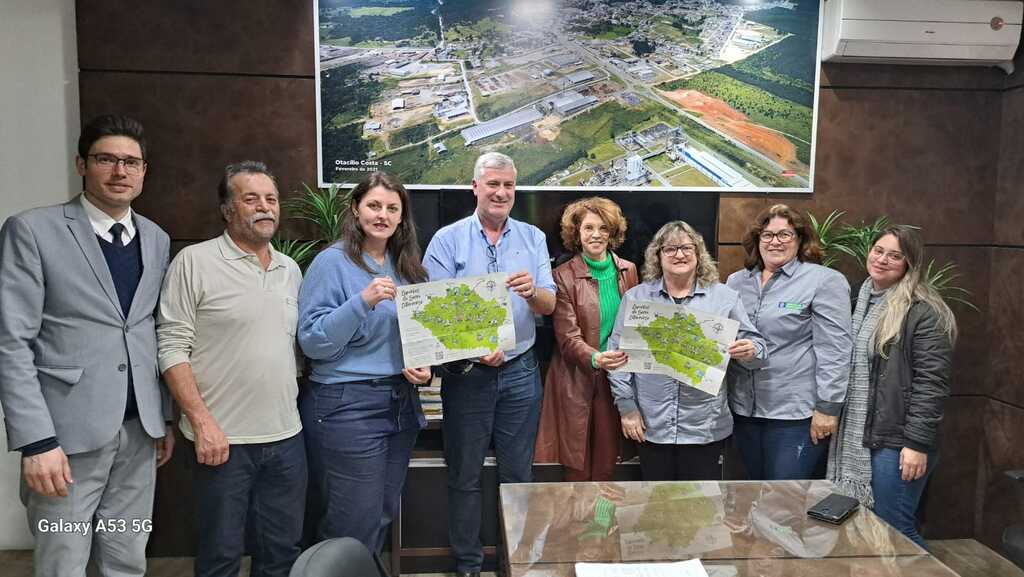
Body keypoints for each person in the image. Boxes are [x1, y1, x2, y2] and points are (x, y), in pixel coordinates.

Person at [0, 114, 174, 577]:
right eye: (106, 159)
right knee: (64, 561)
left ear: (143, 171)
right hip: (66, 437)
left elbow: (150, 330)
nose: (120, 172)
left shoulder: (156, 239)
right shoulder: (32, 231)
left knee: (127, 554)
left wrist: (164, 417)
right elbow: (11, 342)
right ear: (81, 164)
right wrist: (36, 440)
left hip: (140, 434)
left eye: (131, 162)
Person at [157, 161, 306, 577]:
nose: (264, 207)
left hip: (286, 438)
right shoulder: (194, 262)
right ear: (227, 209)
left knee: (281, 551)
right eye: (251, 198)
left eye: (271, 199)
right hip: (222, 442)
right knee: (220, 555)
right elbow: (170, 347)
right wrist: (202, 423)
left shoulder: (289, 270)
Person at [423, 152, 556, 577]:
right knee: (463, 476)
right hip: (469, 376)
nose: (501, 192)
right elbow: (433, 313)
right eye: (493, 184)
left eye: (509, 186)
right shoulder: (447, 239)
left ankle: (513, 564)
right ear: (475, 188)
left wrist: (532, 292)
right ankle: (468, 566)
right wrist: (474, 348)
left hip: (520, 374)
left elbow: (550, 304)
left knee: (518, 478)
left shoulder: (533, 237)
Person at [297, 171, 431, 554]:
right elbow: (313, 341)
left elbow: (413, 337)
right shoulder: (331, 263)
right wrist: (362, 302)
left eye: (392, 208)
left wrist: (422, 367)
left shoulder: (406, 266)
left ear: (402, 217)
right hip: (346, 406)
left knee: (381, 515)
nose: (382, 215)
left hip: (401, 403)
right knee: (351, 523)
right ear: (355, 209)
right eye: (374, 205)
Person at [827, 225, 956, 550]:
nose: (882, 260)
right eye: (878, 250)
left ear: (910, 263)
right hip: (862, 433)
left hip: (898, 442)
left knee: (895, 529)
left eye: (895, 255)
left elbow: (932, 385)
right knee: (871, 529)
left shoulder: (923, 311)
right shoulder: (859, 299)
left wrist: (916, 444)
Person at [607, 221, 766, 481]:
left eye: (686, 247)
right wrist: (627, 408)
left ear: (698, 253)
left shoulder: (725, 297)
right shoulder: (636, 299)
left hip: (705, 427)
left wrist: (750, 350)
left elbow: (758, 349)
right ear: (657, 255)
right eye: (670, 249)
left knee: (701, 511)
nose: (679, 255)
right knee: (657, 507)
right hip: (651, 425)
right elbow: (618, 360)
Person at [726, 204, 852, 480]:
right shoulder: (736, 282)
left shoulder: (824, 281)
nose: (775, 242)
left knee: (783, 504)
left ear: (800, 239)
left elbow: (836, 349)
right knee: (751, 497)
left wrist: (827, 408)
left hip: (794, 416)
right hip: (743, 410)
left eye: (785, 235)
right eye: (768, 235)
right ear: (757, 240)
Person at [534, 197, 638, 481]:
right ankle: (576, 526)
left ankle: (602, 525)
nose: (596, 235)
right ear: (576, 234)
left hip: (616, 380)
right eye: (588, 228)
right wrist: (596, 357)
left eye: (603, 228)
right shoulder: (562, 276)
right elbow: (567, 337)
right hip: (575, 379)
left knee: (607, 465)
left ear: (612, 232)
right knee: (575, 468)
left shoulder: (628, 271)